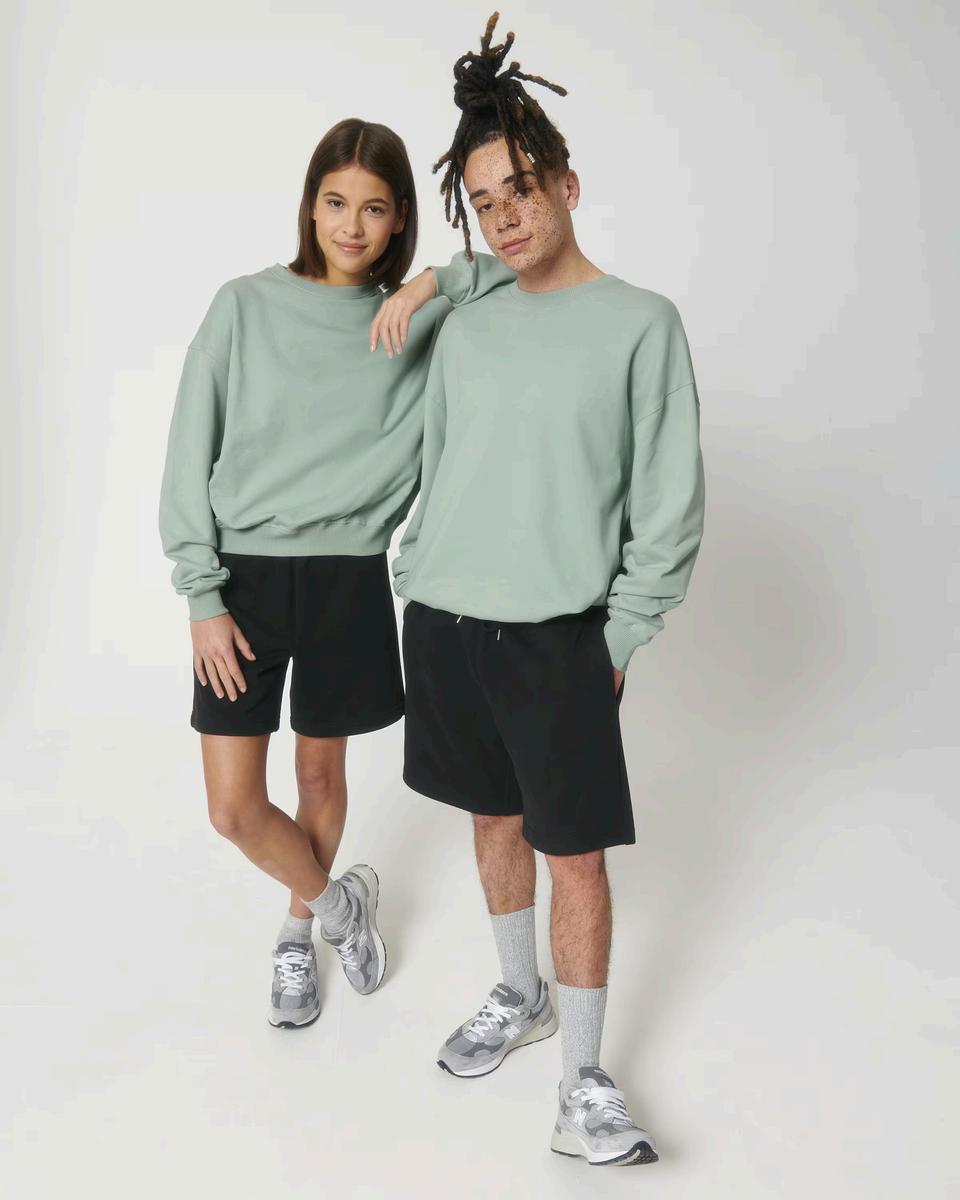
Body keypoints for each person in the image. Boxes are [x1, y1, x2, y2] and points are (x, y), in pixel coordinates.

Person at [388, 14, 705, 1166]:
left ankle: (581, 1085)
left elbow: (669, 504)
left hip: (559, 634)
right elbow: (431, 447)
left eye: (521, 189)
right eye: (483, 202)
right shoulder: (469, 312)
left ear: (566, 184)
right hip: (445, 619)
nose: (506, 215)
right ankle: (517, 993)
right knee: (492, 818)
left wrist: (617, 637)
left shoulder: (640, 325)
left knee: (576, 852)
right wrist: (412, 573)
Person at [158, 116, 515, 1031]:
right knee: (234, 807)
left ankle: (295, 934)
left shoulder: (413, 319)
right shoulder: (243, 306)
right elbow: (188, 448)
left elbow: (524, 270)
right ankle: (337, 906)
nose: (351, 226)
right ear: (310, 206)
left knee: (320, 777)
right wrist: (201, 594)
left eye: (375, 208)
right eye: (334, 202)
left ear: (400, 220)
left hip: (348, 580)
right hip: (241, 582)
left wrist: (434, 281)